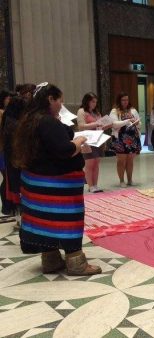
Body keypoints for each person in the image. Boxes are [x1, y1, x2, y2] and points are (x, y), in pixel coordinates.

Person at [12, 83, 101, 275]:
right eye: (59, 99)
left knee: (45, 222)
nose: (61, 103)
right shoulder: (47, 122)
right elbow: (64, 150)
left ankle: (51, 259)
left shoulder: (30, 120)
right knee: (66, 220)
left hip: (36, 185)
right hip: (57, 186)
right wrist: (78, 142)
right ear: (50, 99)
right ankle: (76, 262)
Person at [0, 84, 35, 218]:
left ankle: (13, 210)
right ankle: (13, 211)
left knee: (11, 184)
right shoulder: (13, 124)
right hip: (15, 160)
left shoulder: (10, 120)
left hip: (13, 159)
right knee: (14, 186)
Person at [77, 92, 110, 193]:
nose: (94, 104)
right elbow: (81, 126)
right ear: (87, 101)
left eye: (96, 102)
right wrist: (95, 123)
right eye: (92, 102)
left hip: (98, 139)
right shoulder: (81, 111)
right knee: (90, 163)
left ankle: (95, 185)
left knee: (96, 163)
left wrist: (106, 125)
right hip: (87, 140)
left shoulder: (96, 113)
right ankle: (90, 186)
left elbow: (100, 125)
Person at [109, 92, 141, 188]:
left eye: (127, 100)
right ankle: (122, 180)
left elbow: (139, 123)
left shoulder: (133, 110)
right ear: (119, 100)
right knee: (121, 161)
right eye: (123, 100)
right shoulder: (114, 111)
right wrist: (127, 121)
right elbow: (114, 124)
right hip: (120, 138)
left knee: (130, 160)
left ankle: (130, 180)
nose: (125, 102)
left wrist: (137, 123)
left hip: (132, 138)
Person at [0, 90, 16, 213]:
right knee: (7, 177)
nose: (9, 100)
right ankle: (6, 205)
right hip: (2, 149)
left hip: (5, 148)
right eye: (7, 98)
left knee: (8, 178)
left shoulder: (7, 113)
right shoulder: (2, 114)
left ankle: (8, 205)